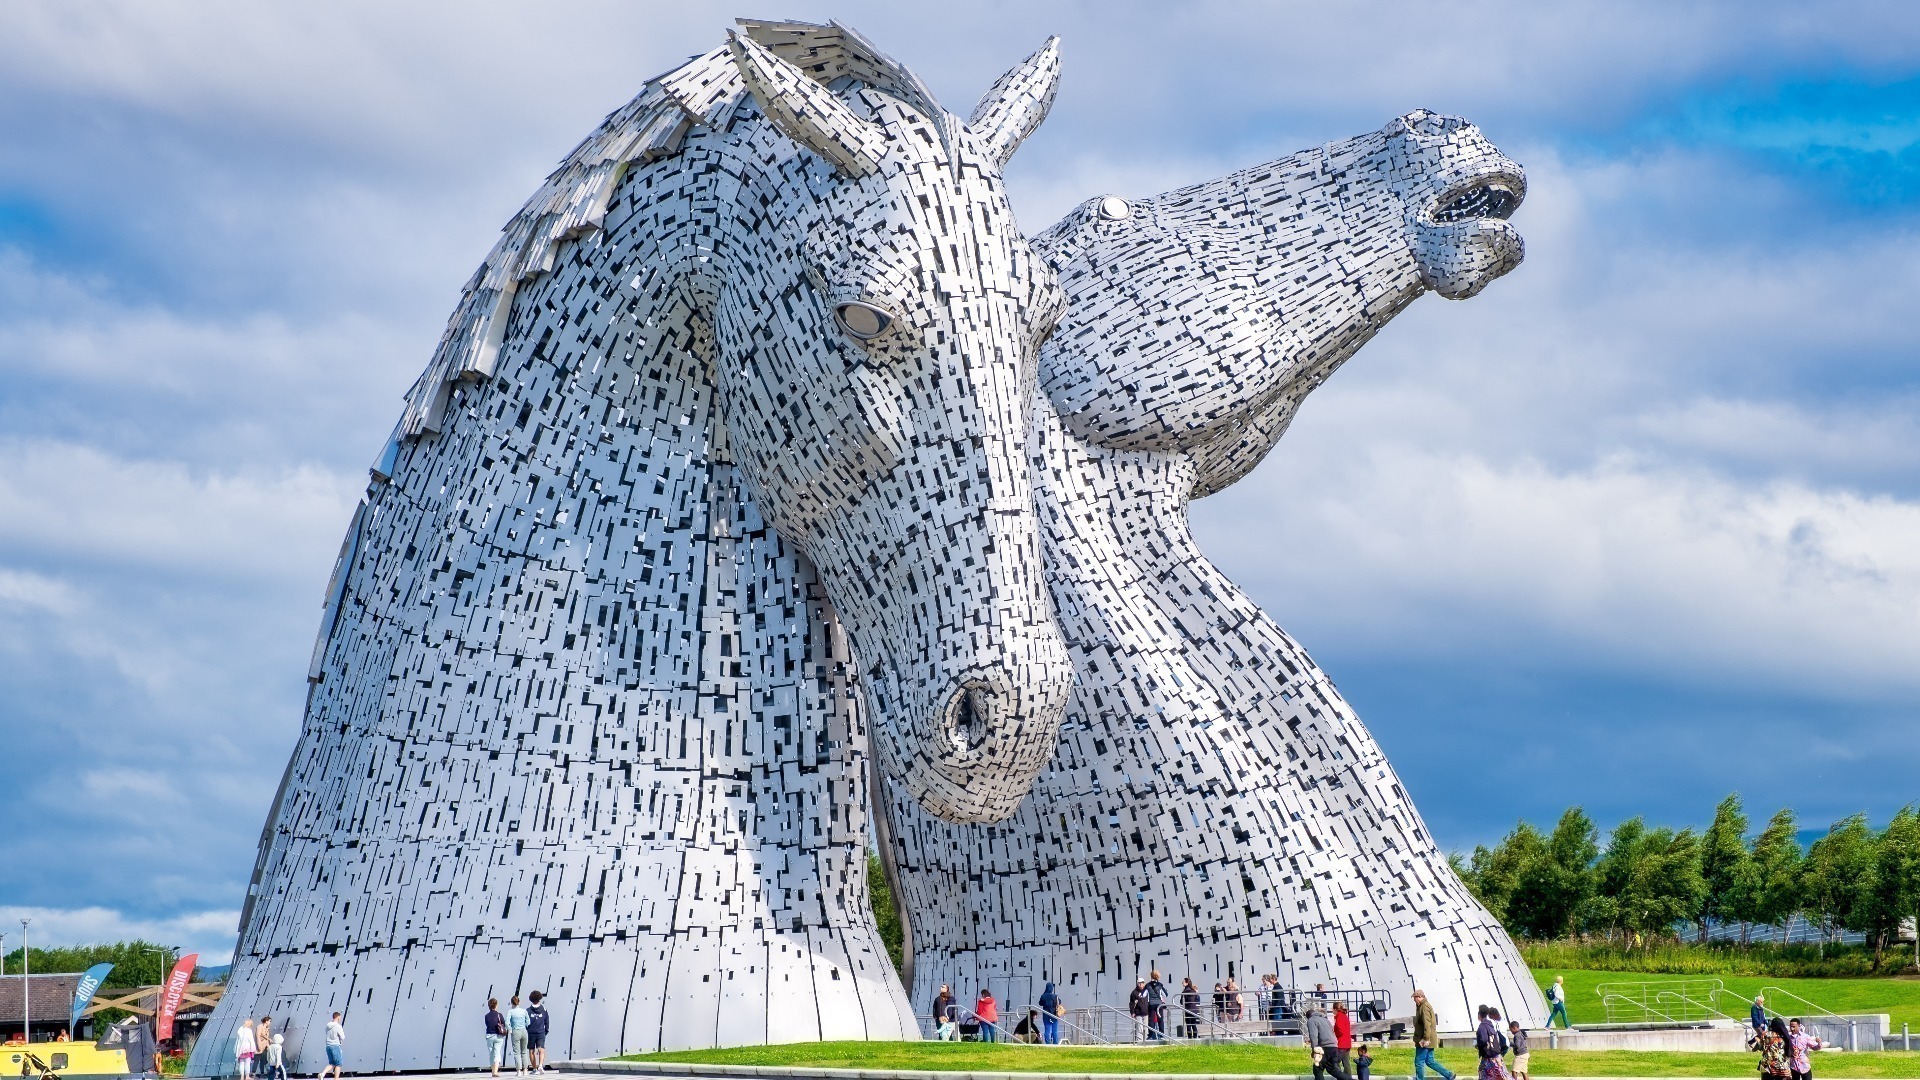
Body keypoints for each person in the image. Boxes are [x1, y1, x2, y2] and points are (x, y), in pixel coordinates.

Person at [1411, 989, 1454, 1080]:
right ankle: (1449, 1075)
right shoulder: (1422, 1006)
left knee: (1419, 1062)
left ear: (1419, 997)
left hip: (1425, 1039)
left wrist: (1426, 1039)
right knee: (1430, 1061)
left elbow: (1427, 1024)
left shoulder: (1424, 1007)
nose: (1414, 1000)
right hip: (1429, 1038)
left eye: (1415, 998)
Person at [1305, 1006, 1349, 1080]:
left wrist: (1314, 1049)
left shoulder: (1311, 1020)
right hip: (1334, 1046)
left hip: (1324, 1047)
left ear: (1308, 1017)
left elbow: (1313, 1035)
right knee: (1333, 1070)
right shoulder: (1325, 1020)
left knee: (1317, 1068)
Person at [1475, 1006, 1508, 1080]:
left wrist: (1478, 1045)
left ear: (1479, 1015)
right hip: (1495, 1054)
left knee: (1485, 1074)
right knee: (1501, 1074)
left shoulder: (1482, 1026)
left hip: (1488, 1056)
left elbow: (1483, 1040)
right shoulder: (1490, 1024)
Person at [527, 990, 551, 1072]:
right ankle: (540, 1065)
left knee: (531, 1050)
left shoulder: (528, 1010)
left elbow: (525, 1022)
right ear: (539, 998)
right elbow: (547, 1021)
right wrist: (546, 1031)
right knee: (541, 1049)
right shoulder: (544, 1009)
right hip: (541, 1032)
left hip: (530, 1033)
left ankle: (534, 1069)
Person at [1330, 1001, 1354, 1080]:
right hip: (1347, 1043)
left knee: (1336, 1062)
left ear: (1335, 1009)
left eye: (1332, 1009)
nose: (1332, 1010)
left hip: (1341, 1043)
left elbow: (1340, 1030)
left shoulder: (1339, 1017)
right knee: (1346, 1062)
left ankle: (1341, 1077)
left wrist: (1334, 1035)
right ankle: (1348, 1077)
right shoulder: (1344, 1016)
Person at [507, 995, 531, 1076]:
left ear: (511, 1003)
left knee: (516, 1052)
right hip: (524, 1031)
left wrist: (510, 1029)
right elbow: (528, 1022)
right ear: (519, 1002)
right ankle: (525, 1070)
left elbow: (507, 1023)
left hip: (515, 1031)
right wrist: (524, 1025)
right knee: (524, 1051)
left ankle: (519, 1071)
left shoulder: (510, 1011)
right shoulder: (524, 1011)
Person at [485, 998, 508, 1078]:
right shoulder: (499, 1015)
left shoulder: (487, 1016)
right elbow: (503, 1024)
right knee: (497, 1052)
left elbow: (487, 1024)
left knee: (491, 1054)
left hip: (490, 1036)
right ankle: (496, 1071)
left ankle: (492, 1071)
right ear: (496, 1005)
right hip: (498, 1036)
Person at [1144, 971, 1169, 1041]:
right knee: (1160, 1020)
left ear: (1151, 976)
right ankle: (1161, 1035)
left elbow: (1142, 995)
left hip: (1151, 1004)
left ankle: (1150, 1035)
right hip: (1159, 1005)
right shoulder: (1160, 985)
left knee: (1151, 1020)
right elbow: (1165, 994)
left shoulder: (1148, 985)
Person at [322, 1012, 346, 1080]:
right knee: (338, 1064)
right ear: (338, 1017)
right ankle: (336, 1079)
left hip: (328, 1046)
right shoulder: (338, 1026)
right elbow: (343, 1037)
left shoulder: (327, 1026)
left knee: (332, 1063)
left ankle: (322, 1074)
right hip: (335, 1046)